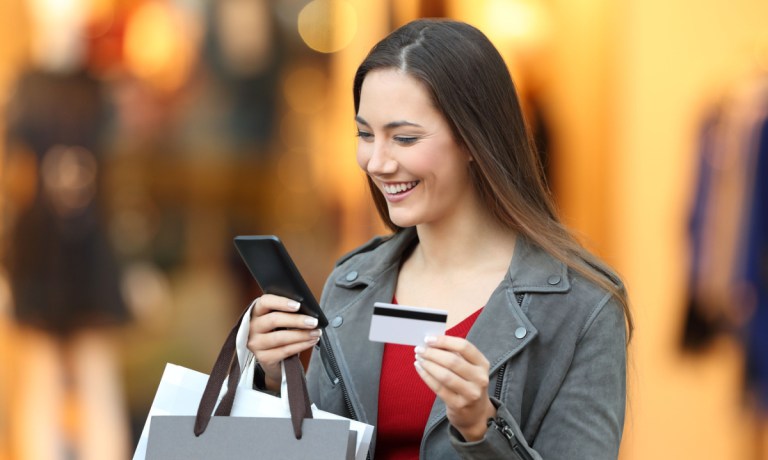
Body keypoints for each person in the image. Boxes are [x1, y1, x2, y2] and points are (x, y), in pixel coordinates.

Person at [246, 18, 632, 459]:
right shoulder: (352, 284)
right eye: (365, 135)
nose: (377, 162)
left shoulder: (584, 306)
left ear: (474, 138)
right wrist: (273, 378)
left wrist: (480, 427)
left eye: (404, 138)